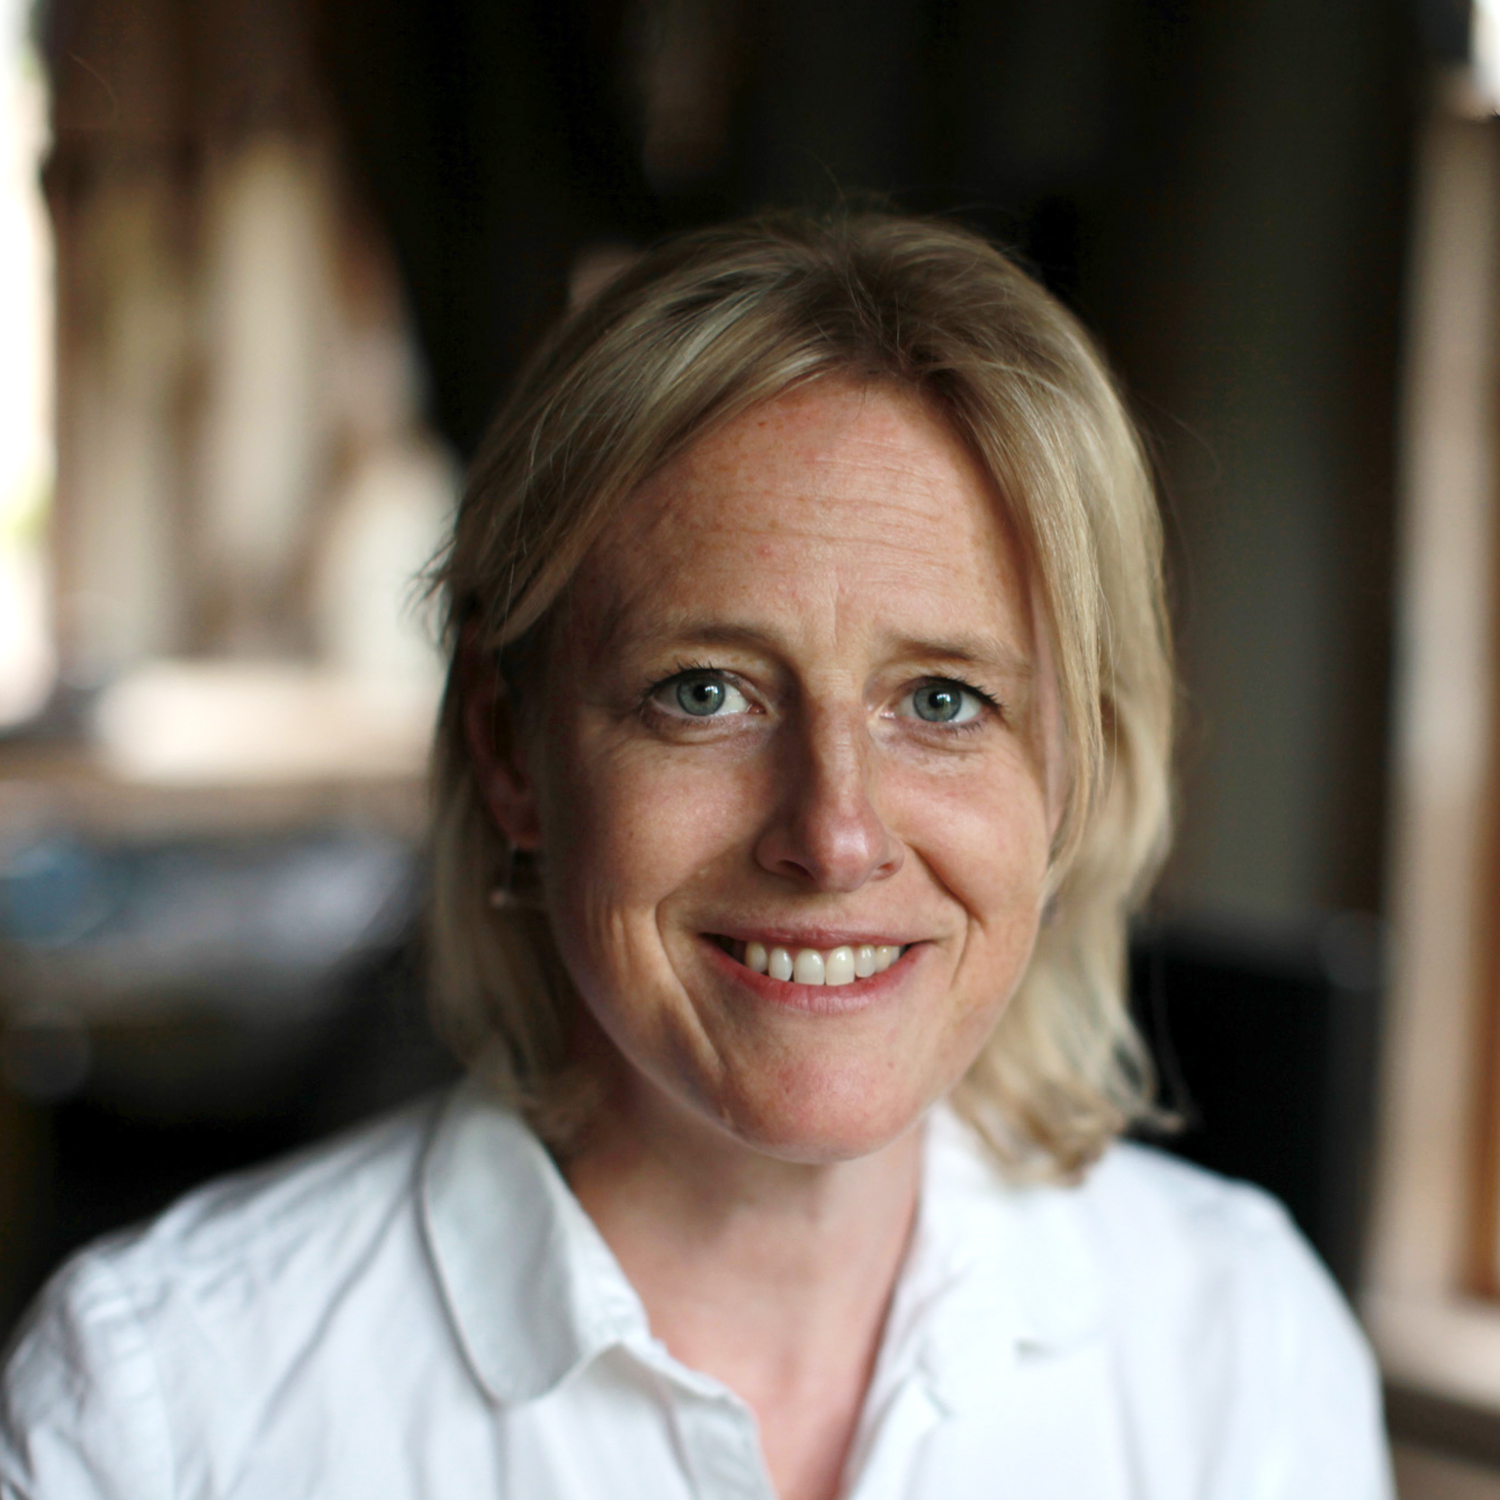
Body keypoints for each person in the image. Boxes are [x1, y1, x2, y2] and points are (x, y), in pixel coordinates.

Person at [1, 213, 1391, 1499]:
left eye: (942, 700)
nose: (834, 835)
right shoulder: (162, 1411)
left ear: (1072, 769)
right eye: (706, 691)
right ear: (508, 744)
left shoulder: (1239, 1349)